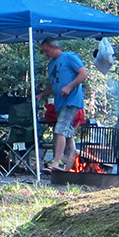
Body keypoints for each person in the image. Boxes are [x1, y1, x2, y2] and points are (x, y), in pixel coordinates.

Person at [37, 37, 88, 173]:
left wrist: (69, 87)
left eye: (47, 51)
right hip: (60, 103)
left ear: (54, 47)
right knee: (68, 133)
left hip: (71, 101)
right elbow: (52, 84)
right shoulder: (51, 64)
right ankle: (72, 166)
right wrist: (42, 95)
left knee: (60, 130)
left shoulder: (69, 57)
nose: (45, 54)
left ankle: (56, 162)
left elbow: (83, 74)